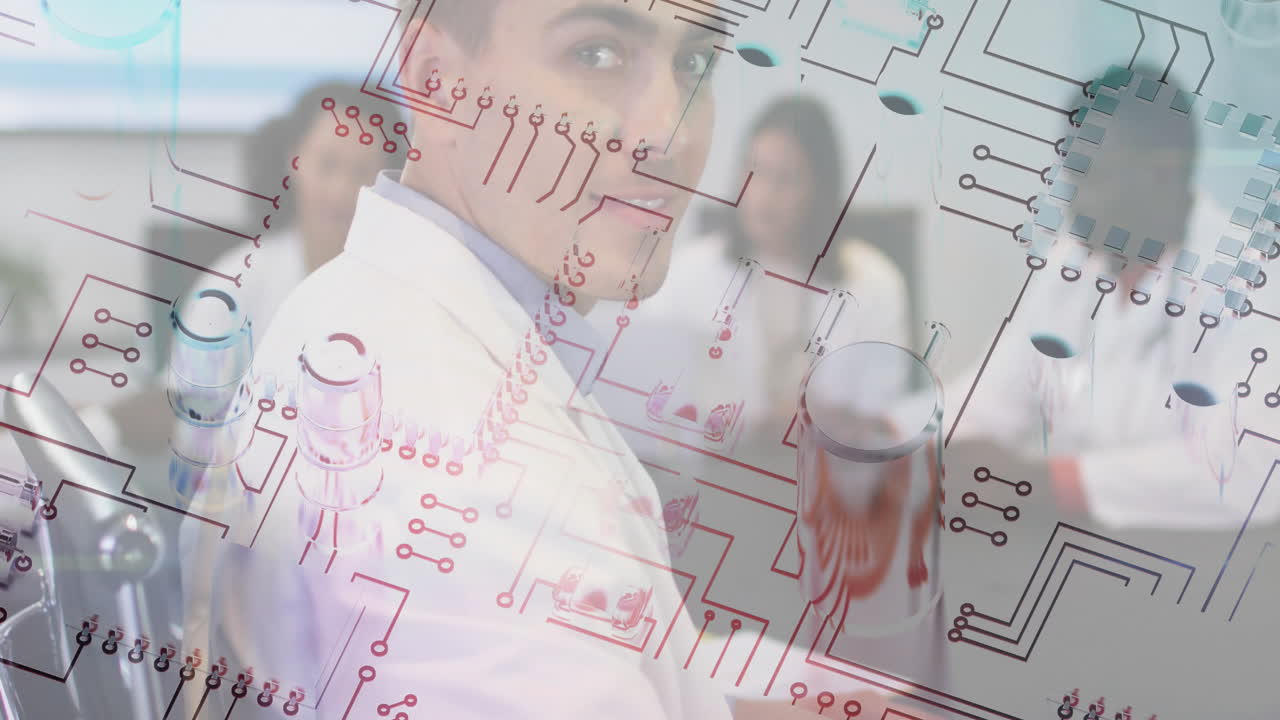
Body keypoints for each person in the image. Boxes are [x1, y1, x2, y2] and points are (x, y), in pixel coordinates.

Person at [179, 3, 838, 718]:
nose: (667, 132)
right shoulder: (461, 469)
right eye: (596, 53)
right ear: (437, 81)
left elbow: (619, 650)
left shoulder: (384, 322)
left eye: (695, 63)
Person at [211, 82, 398, 345]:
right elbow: (184, 386)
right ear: (294, 161)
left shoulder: (402, 289)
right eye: (327, 165)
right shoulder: (233, 288)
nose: (341, 191)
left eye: (362, 170)